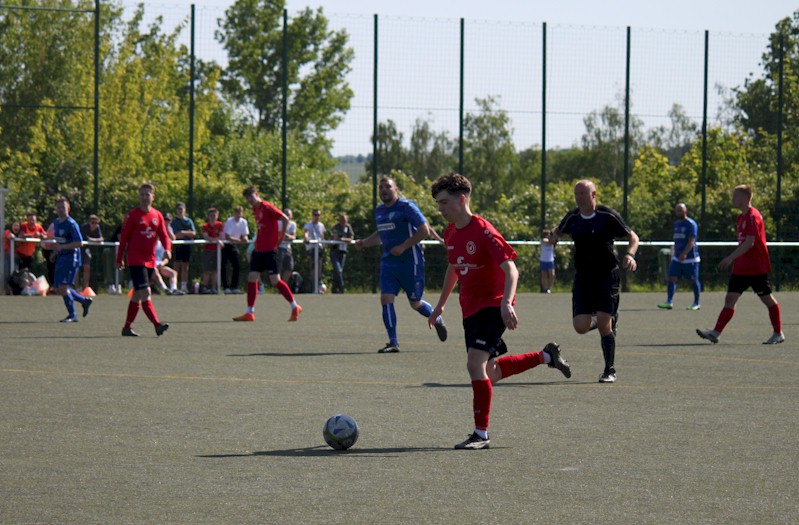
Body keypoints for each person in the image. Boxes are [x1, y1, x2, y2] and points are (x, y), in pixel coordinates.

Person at [428, 173, 571, 450]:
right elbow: (454, 268)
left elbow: (511, 269)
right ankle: (546, 356)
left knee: (474, 364)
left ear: (462, 199)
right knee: (489, 371)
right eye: (438, 204)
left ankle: (481, 434)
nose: (440, 209)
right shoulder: (450, 233)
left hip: (493, 304)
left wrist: (507, 302)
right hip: (469, 308)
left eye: (444, 202)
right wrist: (440, 304)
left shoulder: (483, 230)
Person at [550, 180, 639, 384]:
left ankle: (609, 370)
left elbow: (633, 236)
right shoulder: (573, 217)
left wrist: (631, 255)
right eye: (576, 194)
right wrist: (553, 238)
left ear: (594, 194)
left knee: (604, 326)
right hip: (583, 278)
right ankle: (607, 319)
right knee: (580, 326)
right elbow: (559, 230)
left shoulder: (607, 216)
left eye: (583, 193)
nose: (579, 197)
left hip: (607, 276)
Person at [354, 176, 447, 353]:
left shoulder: (406, 207)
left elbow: (424, 230)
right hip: (389, 262)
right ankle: (393, 342)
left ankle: (437, 319)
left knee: (415, 303)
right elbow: (381, 234)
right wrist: (364, 242)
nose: (383, 190)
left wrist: (403, 246)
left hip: (410, 262)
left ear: (395, 189)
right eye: (381, 187)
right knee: (386, 299)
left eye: (387, 186)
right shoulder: (380, 211)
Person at [696, 185, 784, 345]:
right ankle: (715, 333)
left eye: (735, 196)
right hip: (742, 267)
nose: (733, 199)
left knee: (767, 300)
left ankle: (778, 333)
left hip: (756, 267)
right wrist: (735, 260)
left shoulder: (752, 216)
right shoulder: (741, 218)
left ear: (744, 198)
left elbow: (750, 243)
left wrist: (730, 258)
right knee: (730, 299)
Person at [233, 186, 302, 323]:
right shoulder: (255, 209)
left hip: (270, 250)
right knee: (252, 278)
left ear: (257, 194)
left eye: (251, 196)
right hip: (259, 249)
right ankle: (249, 312)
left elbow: (284, 219)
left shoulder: (267, 207)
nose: (249, 200)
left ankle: (295, 307)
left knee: (275, 281)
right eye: (247, 198)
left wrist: (280, 239)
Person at [115, 183, 171, 337]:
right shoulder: (132, 215)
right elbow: (124, 238)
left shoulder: (157, 215)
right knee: (146, 291)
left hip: (150, 260)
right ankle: (157, 325)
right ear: (138, 196)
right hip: (135, 259)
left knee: (137, 295)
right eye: (142, 194)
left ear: (153, 197)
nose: (145, 197)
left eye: (148, 194)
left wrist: (167, 249)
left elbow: (164, 235)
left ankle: (127, 327)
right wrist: (119, 258)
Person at [51, 197, 93, 322]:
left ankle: (73, 315)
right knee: (59, 288)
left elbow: (79, 243)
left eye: (63, 207)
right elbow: (59, 242)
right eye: (58, 207)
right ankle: (84, 301)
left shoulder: (71, 224)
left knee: (63, 287)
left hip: (71, 258)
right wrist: (54, 252)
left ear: (68, 208)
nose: (60, 210)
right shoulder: (57, 222)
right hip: (62, 257)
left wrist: (62, 247)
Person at [658, 203, 701, 310]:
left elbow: (691, 241)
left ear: (686, 211)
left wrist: (685, 253)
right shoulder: (676, 223)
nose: (679, 212)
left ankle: (696, 303)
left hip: (690, 258)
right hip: (677, 257)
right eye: (677, 210)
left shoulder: (691, 224)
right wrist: (676, 254)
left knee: (693, 280)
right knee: (671, 278)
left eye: (681, 210)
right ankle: (669, 301)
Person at [222, 205, 248, 294]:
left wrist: (245, 238)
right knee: (224, 266)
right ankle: (226, 287)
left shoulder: (244, 222)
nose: (239, 214)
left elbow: (245, 234)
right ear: (234, 213)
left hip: (234, 245)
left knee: (237, 266)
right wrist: (240, 241)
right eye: (237, 212)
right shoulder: (229, 221)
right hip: (226, 245)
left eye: (240, 212)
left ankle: (234, 287)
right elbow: (227, 236)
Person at [170, 202, 196, 294]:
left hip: (186, 245)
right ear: (176, 210)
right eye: (179, 209)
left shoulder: (189, 221)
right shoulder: (173, 221)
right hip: (177, 246)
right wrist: (182, 234)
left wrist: (183, 233)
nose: (180, 211)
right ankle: (174, 286)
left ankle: (184, 286)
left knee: (185, 266)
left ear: (185, 210)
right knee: (176, 266)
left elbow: (193, 233)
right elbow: (174, 235)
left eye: (182, 209)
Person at [330, 213, 354, 294]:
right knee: (338, 270)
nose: (343, 221)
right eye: (342, 219)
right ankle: (342, 288)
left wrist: (343, 239)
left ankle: (334, 289)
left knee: (338, 271)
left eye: (345, 220)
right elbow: (336, 237)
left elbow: (351, 238)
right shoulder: (336, 227)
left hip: (343, 251)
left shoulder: (348, 227)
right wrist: (343, 239)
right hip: (335, 251)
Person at [201, 207, 224, 294]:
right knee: (206, 270)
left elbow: (221, 236)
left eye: (214, 215)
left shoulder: (220, 225)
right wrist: (216, 240)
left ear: (217, 216)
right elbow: (206, 237)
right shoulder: (205, 226)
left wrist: (216, 240)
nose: (213, 217)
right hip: (207, 249)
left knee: (215, 270)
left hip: (216, 251)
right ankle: (205, 287)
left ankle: (214, 288)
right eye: (211, 215)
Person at [303, 209, 326, 292]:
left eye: (318, 215)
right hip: (311, 249)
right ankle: (312, 287)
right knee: (312, 267)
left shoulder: (321, 225)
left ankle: (318, 286)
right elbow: (306, 233)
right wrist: (306, 238)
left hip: (319, 249)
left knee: (319, 268)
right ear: (312, 215)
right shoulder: (308, 225)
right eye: (315, 215)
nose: (317, 217)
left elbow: (322, 236)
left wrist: (323, 245)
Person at [79, 214, 104, 292]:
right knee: (77, 268)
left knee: (87, 268)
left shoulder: (97, 228)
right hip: (79, 249)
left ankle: (85, 289)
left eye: (96, 223)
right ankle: (76, 287)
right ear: (89, 222)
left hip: (88, 250)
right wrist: (95, 240)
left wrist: (93, 240)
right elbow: (86, 238)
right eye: (92, 223)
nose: (94, 225)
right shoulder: (84, 227)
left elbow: (101, 239)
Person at [277, 208, 297, 284]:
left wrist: (286, 236)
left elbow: (293, 237)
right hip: (279, 247)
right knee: (278, 268)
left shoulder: (293, 224)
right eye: (285, 214)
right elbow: (278, 235)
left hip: (288, 248)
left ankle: (283, 285)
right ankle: (278, 285)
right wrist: (286, 236)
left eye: (288, 214)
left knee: (289, 267)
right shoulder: (279, 223)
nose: (287, 216)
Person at [4, 220, 21, 294]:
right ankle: (5, 290)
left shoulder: (20, 236)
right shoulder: (7, 231)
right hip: (6, 255)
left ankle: (12, 291)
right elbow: (9, 236)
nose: (16, 227)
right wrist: (12, 236)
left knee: (15, 274)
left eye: (18, 226)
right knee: (6, 273)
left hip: (15, 257)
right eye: (15, 225)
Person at [539, 229, 556, 293]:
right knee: (544, 275)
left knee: (552, 274)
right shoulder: (543, 240)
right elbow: (549, 241)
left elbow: (554, 241)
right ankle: (544, 288)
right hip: (543, 260)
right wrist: (552, 238)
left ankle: (549, 288)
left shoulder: (551, 240)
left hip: (550, 260)